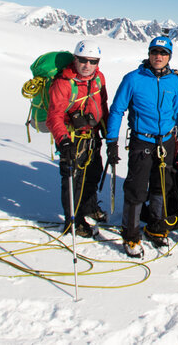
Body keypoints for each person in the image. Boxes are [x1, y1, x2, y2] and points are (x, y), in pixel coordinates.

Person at [106, 36, 178, 258]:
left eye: (163, 53)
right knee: (137, 189)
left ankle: (155, 228)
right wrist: (112, 141)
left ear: (169, 57)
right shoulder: (133, 79)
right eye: (154, 52)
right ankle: (131, 234)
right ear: (149, 54)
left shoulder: (173, 81)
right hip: (143, 140)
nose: (158, 56)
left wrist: (174, 139)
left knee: (161, 186)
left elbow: (174, 111)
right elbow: (117, 109)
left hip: (166, 140)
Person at [46, 40, 109, 237]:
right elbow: (54, 116)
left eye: (92, 61)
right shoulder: (63, 83)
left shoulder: (98, 79)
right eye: (83, 60)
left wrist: (108, 130)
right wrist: (63, 141)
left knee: (93, 173)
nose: (87, 65)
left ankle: (89, 206)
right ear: (75, 59)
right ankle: (73, 220)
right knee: (73, 180)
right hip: (71, 139)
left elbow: (103, 104)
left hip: (92, 136)